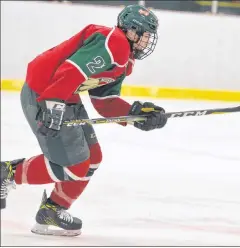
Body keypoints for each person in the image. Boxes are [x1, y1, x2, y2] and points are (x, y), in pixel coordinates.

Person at [0, 4, 167, 236]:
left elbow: (105, 102)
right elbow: (70, 71)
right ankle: (7, 172)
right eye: (145, 35)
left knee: (92, 159)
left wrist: (136, 113)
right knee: (75, 166)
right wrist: (53, 104)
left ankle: (53, 209)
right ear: (131, 31)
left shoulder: (125, 60)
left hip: (63, 96)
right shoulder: (114, 42)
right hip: (44, 92)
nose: (147, 41)